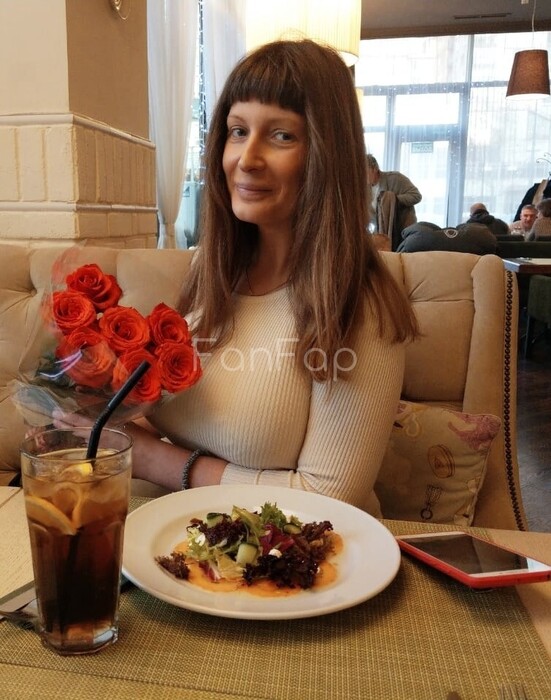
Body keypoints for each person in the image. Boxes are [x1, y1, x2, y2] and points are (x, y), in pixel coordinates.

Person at [55, 40, 418, 516]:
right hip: (184, 537)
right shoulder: (212, 273)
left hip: (302, 552)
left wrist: (151, 459)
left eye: (282, 136)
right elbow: (194, 420)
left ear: (327, 155)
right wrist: (104, 411)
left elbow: (328, 497)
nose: (247, 158)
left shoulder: (360, 304)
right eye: (238, 131)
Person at [366, 154, 422, 249]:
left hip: (403, 231)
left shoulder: (395, 178)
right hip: (381, 235)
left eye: (365, 171)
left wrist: (393, 200)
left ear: (375, 169)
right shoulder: (364, 189)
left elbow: (416, 195)